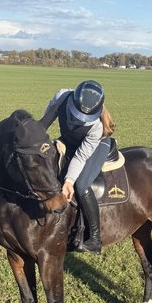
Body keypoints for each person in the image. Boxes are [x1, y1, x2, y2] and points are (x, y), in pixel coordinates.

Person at [41, 79, 115, 253]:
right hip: (70, 141)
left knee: (81, 184)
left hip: (96, 147)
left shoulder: (97, 126)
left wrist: (69, 180)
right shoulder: (62, 97)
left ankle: (95, 238)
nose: (78, 120)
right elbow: (43, 124)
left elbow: (81, 156)